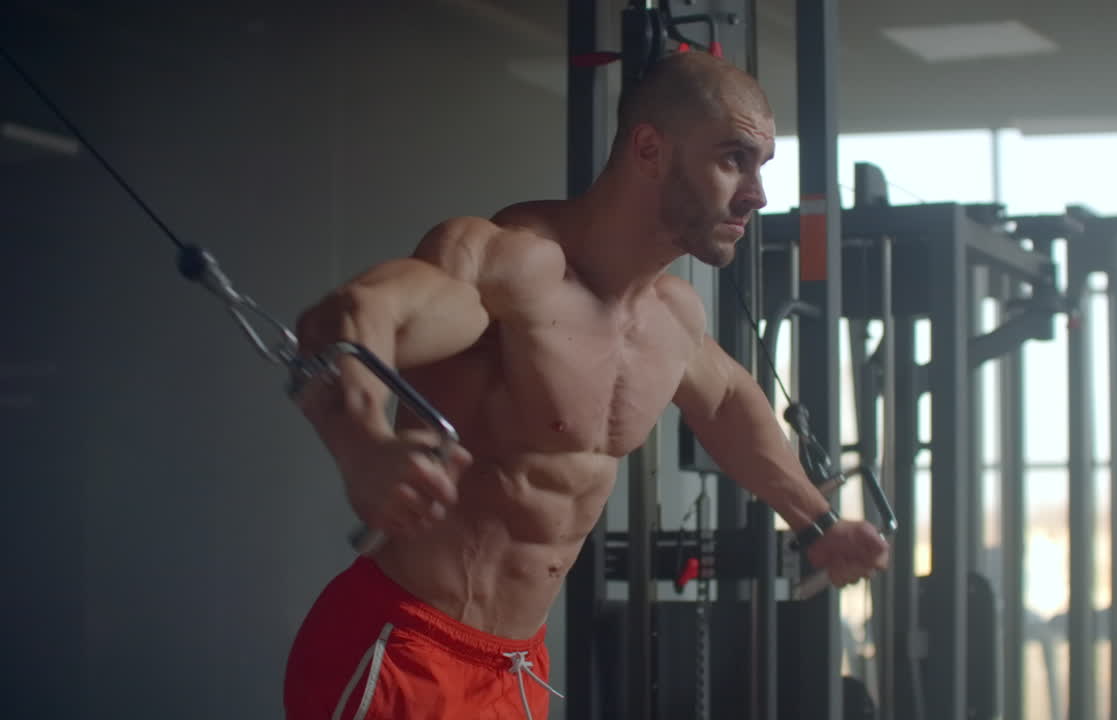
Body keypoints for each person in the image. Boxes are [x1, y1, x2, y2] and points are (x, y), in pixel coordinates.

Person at [284, 50, 890, 720]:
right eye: (732, 159)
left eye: (761, 166)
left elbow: (729, 404)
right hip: (403, 650)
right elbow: (347, 319)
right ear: (650, 147)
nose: (757, 194)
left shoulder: (673, 318)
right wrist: (361, 443)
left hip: (513, 669)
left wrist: (817, 523)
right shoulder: (514, 268)